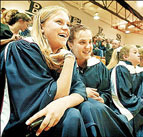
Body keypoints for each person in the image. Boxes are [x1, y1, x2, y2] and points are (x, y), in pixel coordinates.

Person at [1, 6, 89, 137]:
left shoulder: (63, 55)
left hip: (48, 122)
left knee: (91, 108)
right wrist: (70, 58)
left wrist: (64, 103)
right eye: (59, 22)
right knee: (72, 115)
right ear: (41, 27)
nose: (66, 28)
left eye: (68, 24)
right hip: (22, 125)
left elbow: (80, 90)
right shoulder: (22, 48)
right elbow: (54, 97)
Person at [67, 24, 133, 137]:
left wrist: (102, 98)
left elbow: (107, 92)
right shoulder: (63, 66)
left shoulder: (98, 66)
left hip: (98, 109)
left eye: (90, 42)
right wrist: (82, 93)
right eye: (82, 42)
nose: (88, 47)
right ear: (70, 44)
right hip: (76, 111)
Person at [109, 45, 143, 137]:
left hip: (135, 103)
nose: (138, 55)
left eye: (138, 52)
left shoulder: (139, 71)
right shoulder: (121, 69)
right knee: (139, 113)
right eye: (135, 53)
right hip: (122, 106)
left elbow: (142, 93)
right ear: (125, 57)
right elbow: (123, 96)